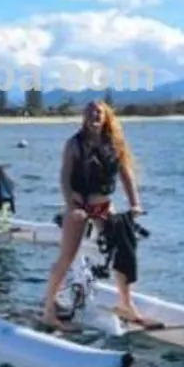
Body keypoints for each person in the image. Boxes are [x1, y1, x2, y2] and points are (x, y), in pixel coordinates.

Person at [40, 100, 145, 331]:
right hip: (79, 205)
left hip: (104, 205)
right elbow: (65, 178)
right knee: (67, 256)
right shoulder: (74, 144)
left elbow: (127, 176)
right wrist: (72, 205)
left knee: (124, 249)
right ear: (84, 117)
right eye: (89, 112)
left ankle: (126, 304)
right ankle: (49, 310)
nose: (94, 116)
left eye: (98, 112)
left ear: (106, 116)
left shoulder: (115, 143)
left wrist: (135, 204)